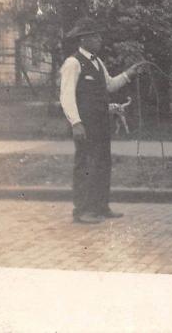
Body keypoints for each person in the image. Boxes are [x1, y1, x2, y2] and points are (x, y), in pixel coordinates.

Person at [59, 17, 141, 224]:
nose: (99, 40)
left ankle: (100, 206)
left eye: (99, 36)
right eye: (95, 36)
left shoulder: (98, 62)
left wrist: (129, 74)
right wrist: (75, 123)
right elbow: (66, 95)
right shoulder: (73, 63)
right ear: (84, 39)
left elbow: (110, 85)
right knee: (86, 164)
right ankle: (83, 210)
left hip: (101, 123)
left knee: (103, 163)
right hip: (85, 125)